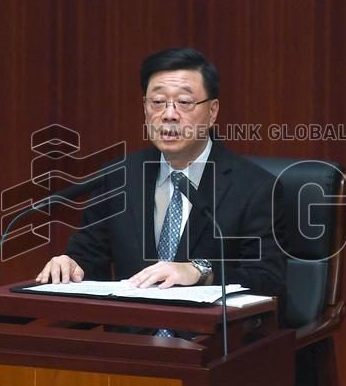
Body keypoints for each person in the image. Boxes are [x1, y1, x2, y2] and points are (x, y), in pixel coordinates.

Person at [36, 47, 286, 302]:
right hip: (134, 337)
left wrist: (201, 272)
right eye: (157, 102)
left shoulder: (254, 187)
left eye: (185, 103)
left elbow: (269, 279)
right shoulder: (118, 177)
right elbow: (89, 258)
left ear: (212, 112)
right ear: (145, 107)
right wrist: (70, 265)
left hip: (210, 337)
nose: (169, 115)